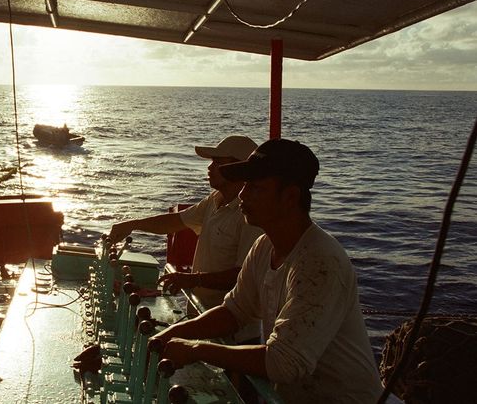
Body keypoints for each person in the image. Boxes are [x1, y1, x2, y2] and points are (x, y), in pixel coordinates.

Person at [152, 138, 383, 403]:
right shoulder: (265, 245)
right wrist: (172, 333)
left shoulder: (320, 261)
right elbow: (235, 311)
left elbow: (284, 363)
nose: (242, 195)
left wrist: (196, 350)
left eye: (255, 188)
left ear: (290, 197)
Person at [108, 135, 263, 343]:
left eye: (218, 162)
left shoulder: (252, 216)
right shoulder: (214, 201)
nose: (210, 168)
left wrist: (192, 279)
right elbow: (175, 222)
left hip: (234, 335)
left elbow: (244, 276)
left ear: (239, 169)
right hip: (201, 318)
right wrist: (132, 224)